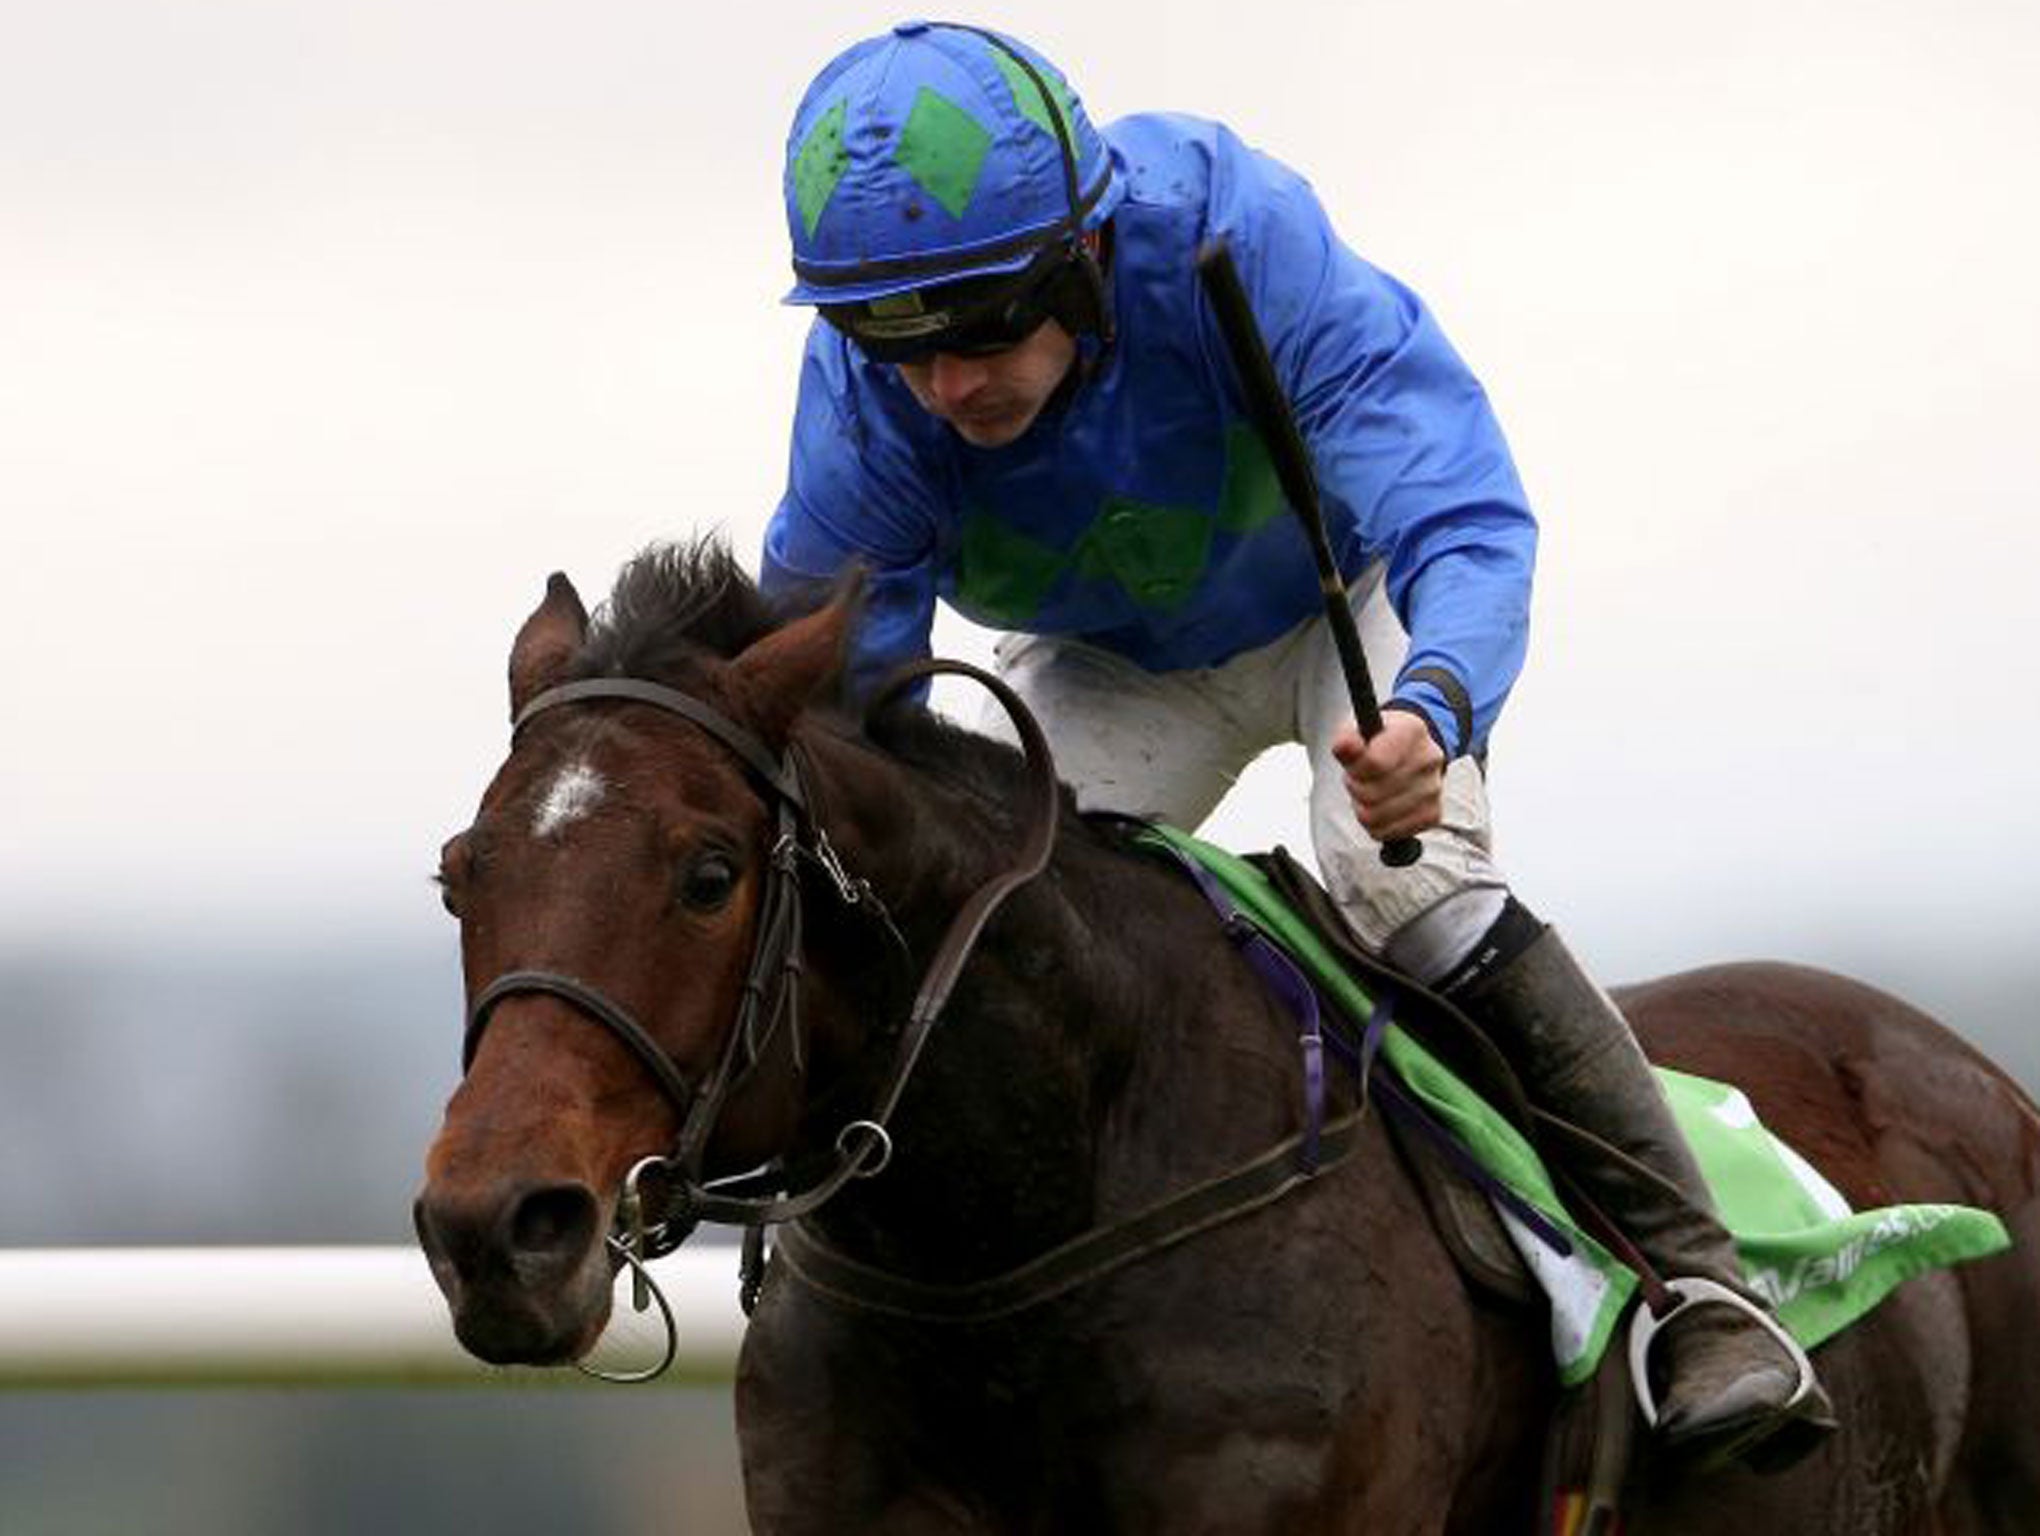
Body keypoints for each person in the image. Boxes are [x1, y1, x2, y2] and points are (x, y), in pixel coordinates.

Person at [760, 19, 1831, 1461]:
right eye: (896, 346)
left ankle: (1697, 1283)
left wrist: (1433, 709)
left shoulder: (1231, 231)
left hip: (1359, 602)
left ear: (1081, 254)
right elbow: (851, 709)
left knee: (1403, 884)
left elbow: (1456, 512)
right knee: (1002, 934)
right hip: (1113, 661)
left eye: (982, 327)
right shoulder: (862, 405)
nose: (948, 387)